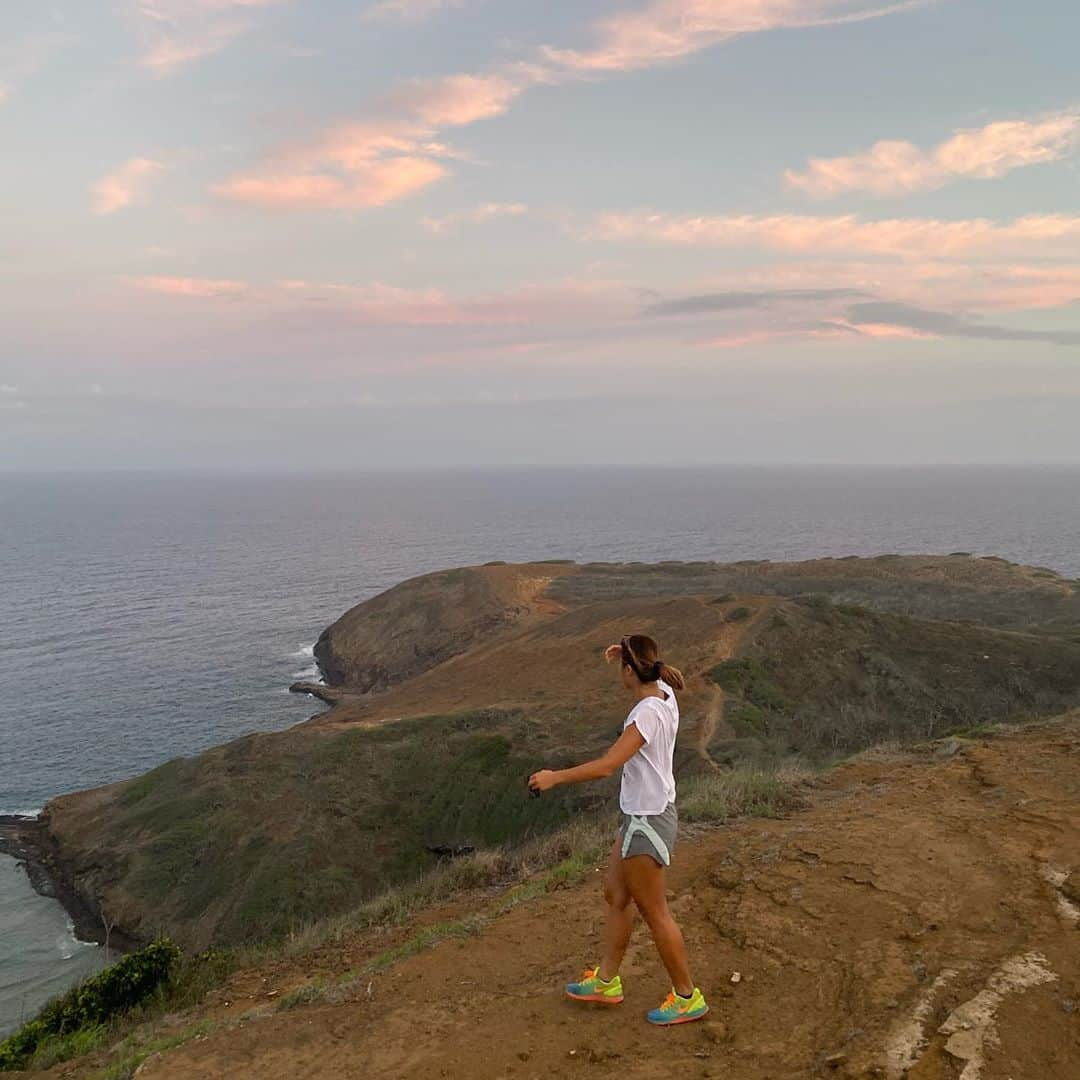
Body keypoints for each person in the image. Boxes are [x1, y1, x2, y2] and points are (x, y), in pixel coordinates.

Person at [528, 634, 709, 1026]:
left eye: (622, 666)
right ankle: (607, 981)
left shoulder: (645, 713)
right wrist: (622, 651)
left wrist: (553, 778)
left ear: (630, 670)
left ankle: (686, 996)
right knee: (615, 894)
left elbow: (608, 765)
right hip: (639, 816)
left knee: (655, 912)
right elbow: (647, 661)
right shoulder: (664, 691)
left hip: (648, 820)